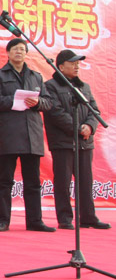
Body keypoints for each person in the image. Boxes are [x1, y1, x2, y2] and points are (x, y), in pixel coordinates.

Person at [0, 38, 54, 233]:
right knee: (5, 180)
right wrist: (14, 100)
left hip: (32, 135)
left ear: (26, 53)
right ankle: (3, 221)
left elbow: (48, 102)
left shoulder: (36, 76)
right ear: (8, 53)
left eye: (22, 49)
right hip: (9, 133)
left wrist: (38, 103)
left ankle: (35, 221)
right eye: (15, 49)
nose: (19, 52)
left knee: (33, 182)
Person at [44, 50, 110, 230]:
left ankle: (88, 217)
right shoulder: (50, 86)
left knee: (86, 181)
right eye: (72, 63)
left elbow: (94, 110)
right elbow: (56, 112)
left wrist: (89, 126)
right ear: (61, 66)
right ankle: (65, 218)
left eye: (78, 63)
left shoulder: (84, 87)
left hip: (85, 142)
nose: (77, 66)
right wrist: (78, 128)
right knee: (63, 181)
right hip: (63, 142)